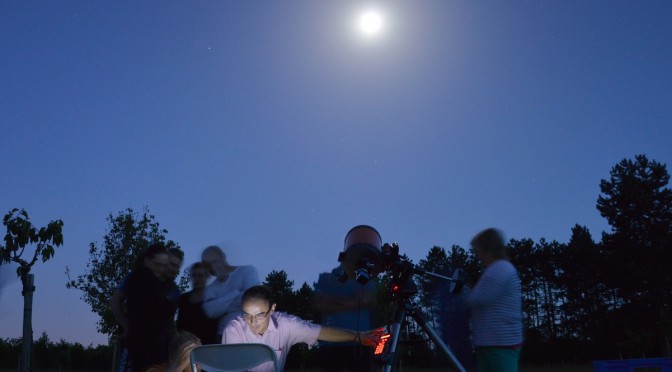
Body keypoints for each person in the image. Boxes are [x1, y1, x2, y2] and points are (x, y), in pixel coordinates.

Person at [223, 285, 380, 372]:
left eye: (259, 315)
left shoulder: (287, 325)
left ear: (272, 309)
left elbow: (322, 332)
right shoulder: (233, 329)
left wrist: (360, 336)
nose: (252, 321)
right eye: (247, 315)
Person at [110, 243, 179, 372]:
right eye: (157, 264)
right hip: (137, 346)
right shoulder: (137, 278)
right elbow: (115, 300)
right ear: (147, 260)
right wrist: (126, 325)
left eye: (163, 266)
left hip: (157, 350)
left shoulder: (169, 287)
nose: (159, 269)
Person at [465, 228, 523, 372]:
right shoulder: (498, 268)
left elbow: (477, 299)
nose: (478, 256)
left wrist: (456, 298)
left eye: (478, 251)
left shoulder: (499, 269)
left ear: (489, 249)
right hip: (492, 343)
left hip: (499, 344)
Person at [314, 266, 378, 372]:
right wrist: (355, 301)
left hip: (361, 342)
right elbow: (321, 305)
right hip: (330, 343)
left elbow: (369, 299)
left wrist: (334, 301)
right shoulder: (327, 278)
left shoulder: (365, 276)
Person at [201, 245, 260, 339]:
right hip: (223, 337)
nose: (212, 267)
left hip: (249, 333)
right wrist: (237, 293)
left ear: (223, 256)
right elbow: (211, 311)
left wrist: (221, 308)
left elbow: (253, 300)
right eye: (208, 265)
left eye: (214, 261)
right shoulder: (209, 289)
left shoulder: (247, 271)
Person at [177, 262, 219, 344]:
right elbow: (180, 326)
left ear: (206, 277)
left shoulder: (212, 299)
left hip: (207, 347)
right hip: (187, 347)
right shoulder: (184, 299)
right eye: (194, 275)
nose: (197, 279)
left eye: (200, 275)